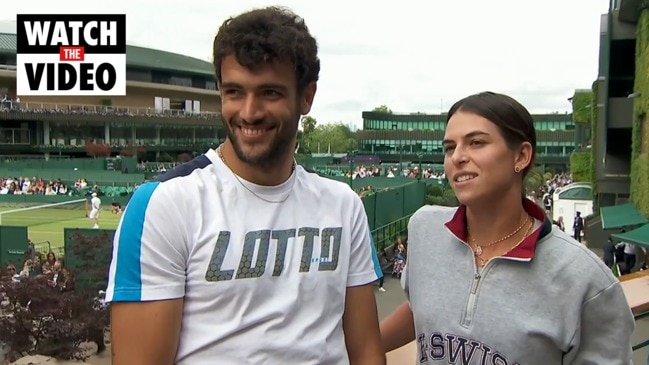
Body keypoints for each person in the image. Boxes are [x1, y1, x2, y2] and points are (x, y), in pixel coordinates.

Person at [105, 7, 385, 365]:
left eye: (269, 92)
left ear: (306, 96)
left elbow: (366, 353)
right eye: (234, 91)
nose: (249, 112)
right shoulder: (165, 204)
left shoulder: (343, 205)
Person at [380, 92, 635, 364]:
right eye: (449, 147)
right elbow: (420, 310)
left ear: (522, 156)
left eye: (476, 142)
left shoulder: (585, 279)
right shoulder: (425, 228)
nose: (457, 157)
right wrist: (350, 349)